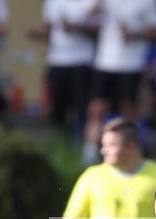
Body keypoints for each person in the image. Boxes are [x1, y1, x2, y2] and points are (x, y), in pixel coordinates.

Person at [82, 0, 156, 165]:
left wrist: (134, 34)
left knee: (129, 112)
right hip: (104, 63)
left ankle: (131, 153)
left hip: (131, 65)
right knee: (97, 109)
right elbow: (88, 14)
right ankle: (90, 154)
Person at [27, 0, 99, 140]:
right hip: (57, 61)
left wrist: (76, 28)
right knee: (57, 108)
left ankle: (82, 144)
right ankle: (60, 144)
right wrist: (37, 34)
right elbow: (49, 30)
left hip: (82, 61)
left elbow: (99, 32)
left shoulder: (92, 3)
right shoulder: (52, 3)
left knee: (82, 108)